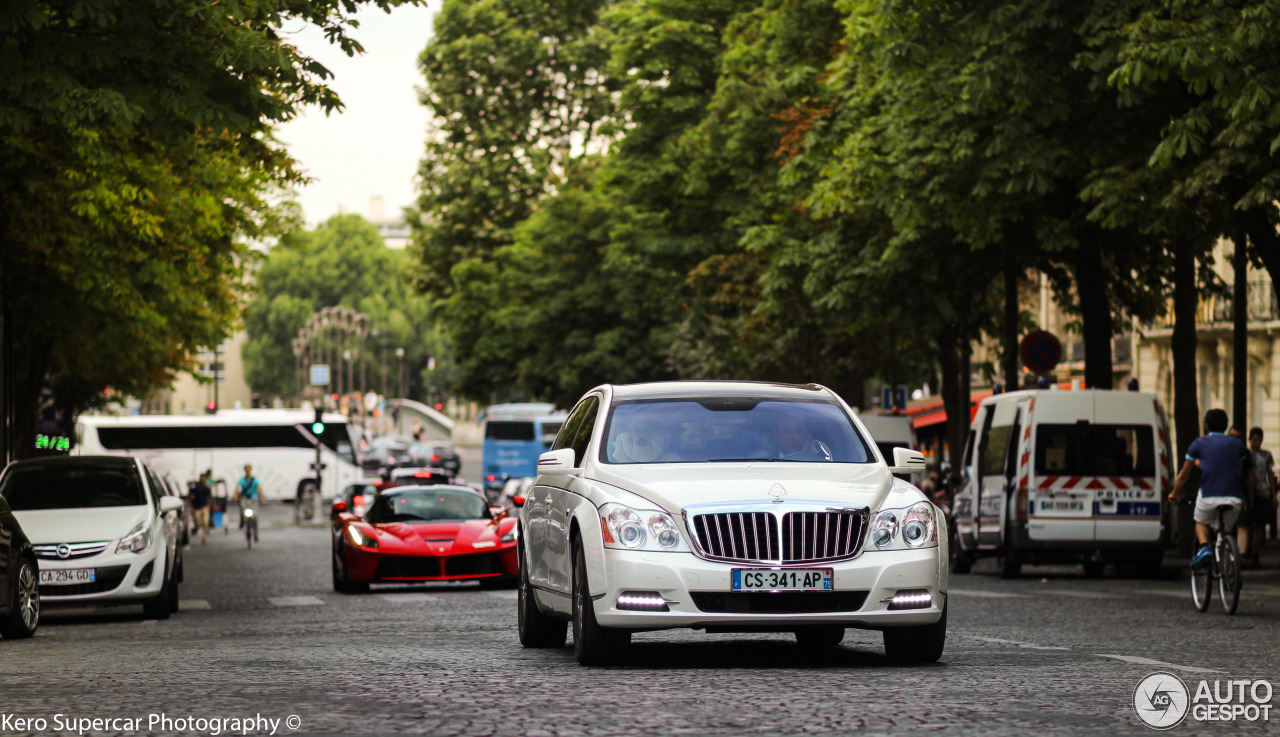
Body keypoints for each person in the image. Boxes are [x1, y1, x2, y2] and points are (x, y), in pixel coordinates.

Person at [1170, 409, 1254, 567]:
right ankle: (1228, 555)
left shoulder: (1199, 444)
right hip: (1235, 498)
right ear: (1226, 426)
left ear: (1206, 426)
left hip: (1209, 496)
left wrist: (1174, 494)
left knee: (1201, 522)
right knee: (1225, 528)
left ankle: (1203, 548)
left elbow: (1183, 475)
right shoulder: (1238, 445)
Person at [1247, 427, 1276, 564]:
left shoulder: (1266, 455)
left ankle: (1255, 552)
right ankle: (1248, 550)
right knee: (1250, 525)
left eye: (1259, 440)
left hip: (1263, 492)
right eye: (1255, 440)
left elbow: (1270, 475)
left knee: (1260, 525)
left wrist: (1273, 494)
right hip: (1250, 493)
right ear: (1250, 439)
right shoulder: (1247, 455)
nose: (1257, 443)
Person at [189, 470, 213, 544]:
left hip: (204, 506)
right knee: (199, 523)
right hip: (197, 507)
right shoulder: (195, 487)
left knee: (206, 522)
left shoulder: (207, 488)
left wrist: (209, 506)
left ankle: (204, 537)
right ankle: (196, 529)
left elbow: (210, 497)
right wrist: (191, 506)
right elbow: (190, 496)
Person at [236, 464, 263, 528]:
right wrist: (236, 496)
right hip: (245, 499)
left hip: (253, 499)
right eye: (246, 469)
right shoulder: (242, 480)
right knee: (243, 511)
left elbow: (260, 488)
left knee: (255, 515)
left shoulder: (255, 479)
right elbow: (237, 488)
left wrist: (261, 497)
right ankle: (242, 521)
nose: (247, 470)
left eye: (249, 469)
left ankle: (255, 529)